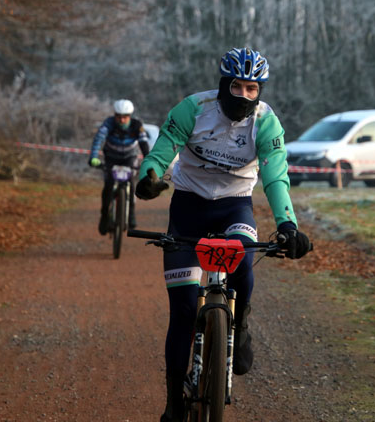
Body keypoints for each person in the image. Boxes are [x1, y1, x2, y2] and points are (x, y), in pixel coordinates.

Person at [135, 47, 312, 422]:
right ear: (222, 85)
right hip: (188, 207)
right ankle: (173, 401)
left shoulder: (266, 123)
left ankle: (241, 322)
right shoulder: (192, 109)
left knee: (244, 259)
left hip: (235, 206)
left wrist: (287, 225)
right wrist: (148, 179)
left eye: (252, 89)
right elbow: (160, 154)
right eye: (237, 87)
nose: (244, 96)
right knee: (183, 311)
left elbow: (275, 177)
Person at [89, 99, 150, 234]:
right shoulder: (108, 123)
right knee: (108, 185)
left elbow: (144, 143)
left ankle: (131, 214)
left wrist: (149, 160)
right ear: (115, 115)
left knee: (131, 183)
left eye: (125, 117)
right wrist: (93, 157)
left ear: (130, 116)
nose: (122, 120)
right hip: (111, 157)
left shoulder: (137, 125)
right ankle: (104, 216)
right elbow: (98, 139)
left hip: (129, 158)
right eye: (119, 117)